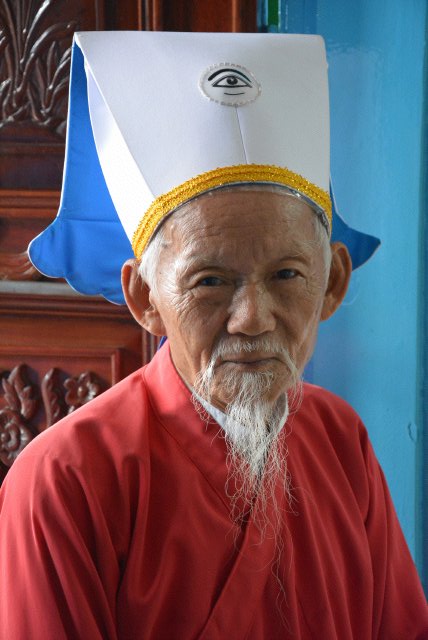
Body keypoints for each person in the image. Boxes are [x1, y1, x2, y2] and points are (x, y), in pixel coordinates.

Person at [0, 31, 426, 639]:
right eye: (210, 282)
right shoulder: (64, 481)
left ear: (332, 283)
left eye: (287, 275)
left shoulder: (341, 440)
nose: (252, 318)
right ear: (145, 298)